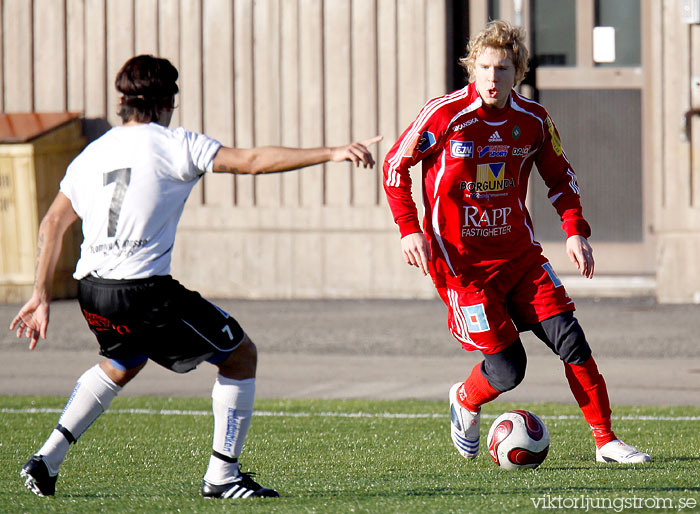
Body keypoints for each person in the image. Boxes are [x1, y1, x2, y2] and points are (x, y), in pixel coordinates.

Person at [10, 54, 381, 498]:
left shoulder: (94, 152)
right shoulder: (174, 144)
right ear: (168, 102)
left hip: (93, 290)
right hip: (142, 290)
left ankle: (46, 459)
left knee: (122, 362)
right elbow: (253, 161)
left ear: (122, 102)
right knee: (240, 355)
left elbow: (51, 224)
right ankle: (222, 476)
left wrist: (41, 295)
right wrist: (332, 151)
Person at [382, 20, 650, 464]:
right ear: (472, 69)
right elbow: (395, 168)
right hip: (464, 269)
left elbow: (560, 177)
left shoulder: (532, 120)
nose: (492, 77)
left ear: (517, 72)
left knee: (572, 340)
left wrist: (574, 231)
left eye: (502, 68)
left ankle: (606, 441)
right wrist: (410, 228)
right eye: (485, 67)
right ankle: (466, 398)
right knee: (509, 370)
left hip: (520, 258)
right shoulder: (444, 115)